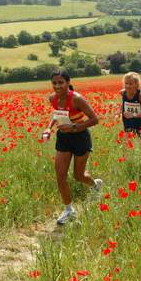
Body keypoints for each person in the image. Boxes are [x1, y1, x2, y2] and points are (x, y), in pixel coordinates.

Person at [42, 70, 102, 225]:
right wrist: (49, 128)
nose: (57, 86)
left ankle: (95, 185)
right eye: (54, 83)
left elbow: (95, 119)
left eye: (61, 82)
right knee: (60, 175)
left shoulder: (77, 99)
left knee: (78, 175)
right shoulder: (52, 98)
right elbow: (56, 115)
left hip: (80, 137)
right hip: (63, 138)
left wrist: (74, 127)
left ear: (68, 83)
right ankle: (69, 210)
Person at [120, 72, 141, 136]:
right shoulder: (123, 93)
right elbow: (124, 104)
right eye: (126, 83)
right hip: (128, 125)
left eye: (130, 84)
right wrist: (119, 111)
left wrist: (133, 115)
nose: (128, 86)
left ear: (136, 84)